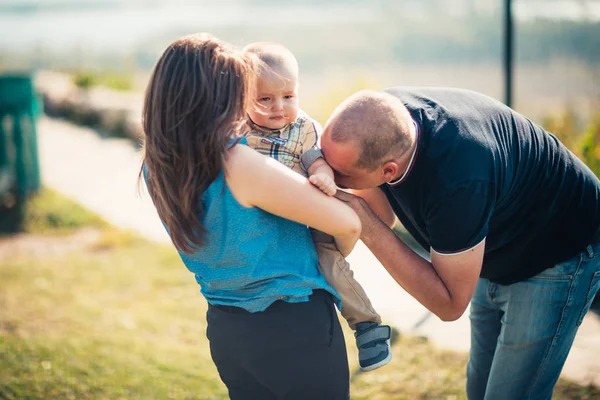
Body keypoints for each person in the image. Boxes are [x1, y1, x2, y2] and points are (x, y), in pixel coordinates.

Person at [319, 87, 600, 400]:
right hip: (491, 246)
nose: (330, 176)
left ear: (389, 170)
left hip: (558, 249)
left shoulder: (458, 183)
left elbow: (449, 304)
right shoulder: (380, 119)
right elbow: (382, 212)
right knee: (478, 391)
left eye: (340, 174)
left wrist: (368, 228)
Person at [139, 33, 359, 400]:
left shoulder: (157, 166)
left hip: (227, 331)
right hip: (293, 328)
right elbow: (348, 223)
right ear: (215, 99)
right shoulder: (238, 164)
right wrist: (333, 256)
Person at [241, 41, 391, 371]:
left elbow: (317, 162)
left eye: (288, 96)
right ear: (242, 98)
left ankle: (367, 327)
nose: (279, 107)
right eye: (265, 99)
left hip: (308, 212)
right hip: (261, 215)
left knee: (330, 261)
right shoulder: (239, 130)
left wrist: (322, 176)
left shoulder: (304, 128)